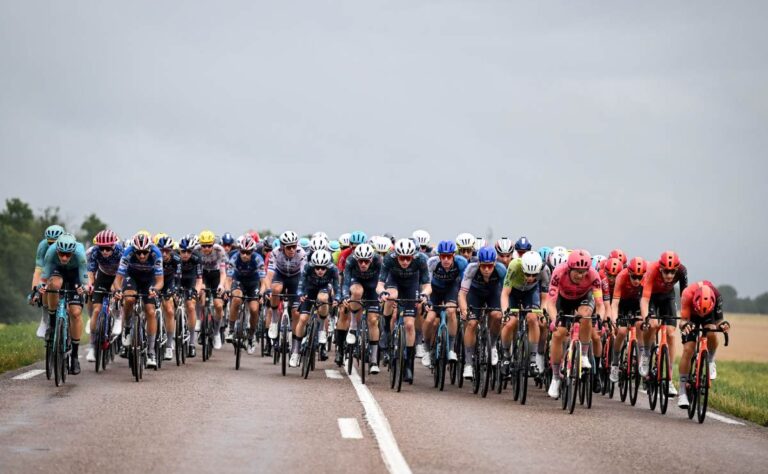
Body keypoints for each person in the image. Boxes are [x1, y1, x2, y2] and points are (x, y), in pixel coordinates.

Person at [545, 250, 604, 399]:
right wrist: (554, 320)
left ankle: (583, 355)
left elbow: (600, 303)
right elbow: (550, 303)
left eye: (583, 272)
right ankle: (555, 377)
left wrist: (600, 320)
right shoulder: (559, 272)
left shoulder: (593, 275)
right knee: (558, 334)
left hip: (584, 298)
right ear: (569, 268)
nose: (580, 275)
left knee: (586, 315)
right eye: (577, 272)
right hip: (563, 300)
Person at [377, 239, 431, 383]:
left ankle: (408, 364)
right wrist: (382, 293)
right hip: (394, 282)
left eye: (408, 258)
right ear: (396, 256)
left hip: (411, 286)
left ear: (413, 256)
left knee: (409, 325)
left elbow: (427, 285)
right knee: (391, 296)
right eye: (402, 258)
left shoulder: (421, 260)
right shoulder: (389, 258)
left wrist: (424, 294)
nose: (405, 262)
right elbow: (380, 284)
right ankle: (386, 331)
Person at [38, 233, 89, 375]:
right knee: (53, 285)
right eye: (61, 254)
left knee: (75, 313)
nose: (65, 258)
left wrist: (84, 288)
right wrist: (41, 286)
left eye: (68, 255)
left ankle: (74, 357)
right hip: (58, 271)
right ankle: (52, 324)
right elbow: (44, 277)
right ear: (57, 250)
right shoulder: (51, 252)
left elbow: (85, 281)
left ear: (73, 252)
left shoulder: (80, 254)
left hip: (75, 275)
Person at [112, 233, 164, 367]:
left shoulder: (156, 254)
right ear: (134, 250)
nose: (141, 256)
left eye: (145, 252)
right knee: (129, 299)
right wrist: (118, 290)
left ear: (149, 250)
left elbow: (160, 281)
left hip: (149, 279)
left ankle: (151, 352)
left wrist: (155, 289)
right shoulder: (128, 252)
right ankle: (127, 327)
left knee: (150, 311)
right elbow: (118, 279)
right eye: (138, 252)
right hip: (132, 277)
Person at [640, 251, 688, 395]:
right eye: (666, 271)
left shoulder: (682, 271)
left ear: (677, 269)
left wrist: (685, 319)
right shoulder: (652, 270)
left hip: (668, 297)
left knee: (671, 334)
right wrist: (646, 318)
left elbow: (685, 297)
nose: (669, 275)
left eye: (672, 272)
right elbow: (644, 299)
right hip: (651, 297)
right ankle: (646, 354)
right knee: (653, 324)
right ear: (661, 268)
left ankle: (669, 379)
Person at [677, 281, 730, 408]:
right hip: (691, 316)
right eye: (700, 311)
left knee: (711, 331)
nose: (701, 314)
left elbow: (719, 321)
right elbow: (682, 321)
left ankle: (710, 360)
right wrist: (685, 325)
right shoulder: (687, 294)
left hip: (709, 315)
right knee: (688, 348)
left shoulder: (716, 296)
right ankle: (682, 391)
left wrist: (723, 325)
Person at [458, 247, 507, 379]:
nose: (486, 269)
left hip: (493, 294)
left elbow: (506, 293)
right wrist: (464, 309)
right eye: (483, 266)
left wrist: (505, 311)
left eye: (489, 266)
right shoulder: (471, 269)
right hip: (475, 294)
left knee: (497, 315)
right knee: (471, 323)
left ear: (494, 264)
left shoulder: (501, 270)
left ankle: (492, 346)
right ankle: (468, 363)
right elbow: (462, 294)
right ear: (479, 263)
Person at [499, 251, 550, 374]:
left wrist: (542, 312)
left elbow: (544, 297)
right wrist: (505, 313)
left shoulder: (544, 270)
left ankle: (532, 360)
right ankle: (506, 356)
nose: (531, 278)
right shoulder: (514, 265)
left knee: (533, 318)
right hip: (513, 292)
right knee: (510, 322)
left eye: (534, 275)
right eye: (527, 274)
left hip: (530, 293)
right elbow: (505, 294)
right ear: (522, 268)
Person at [290, 250, 339, 367]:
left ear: (327, 266)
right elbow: (301, 284)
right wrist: (301, 294)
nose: (320, 270)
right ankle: (295, 352)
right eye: (317, 268)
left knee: (323, 298)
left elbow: (337, 286)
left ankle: (321, 330)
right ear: (313, 266)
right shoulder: (308, 267)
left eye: (323, 268)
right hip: (309, 290)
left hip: (324, 289)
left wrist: (337, 298)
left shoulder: (333, 269)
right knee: (302, 319)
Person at [422, 240, 467, 368]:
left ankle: (451, 348)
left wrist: (461, 304)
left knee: (451, 311)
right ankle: (426, 349)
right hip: (435, 290)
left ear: (453, 255)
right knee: (430, 319)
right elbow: (427, 283)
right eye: (443, 256)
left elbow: (464, 285)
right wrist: (427, 299)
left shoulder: (462, 263)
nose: (446, 259)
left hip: (451, 289)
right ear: (439, 256)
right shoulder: (432, 263)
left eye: (449, 256)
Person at [342, 243, 384, 373]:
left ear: (371, 259)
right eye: (360, 261)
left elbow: (384, 280)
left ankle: (373, 360)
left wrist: (383, 294)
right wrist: (345, 296)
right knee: (356, 292)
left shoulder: (378, 260)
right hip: (357, 283)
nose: (363, 264)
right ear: (356, 259)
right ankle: (353, 327)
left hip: (373, 287)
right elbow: (346, 282)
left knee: (373, 321)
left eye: (366, 261)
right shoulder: (350, 260)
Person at [85, 230, 123, 362]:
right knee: (96, 310)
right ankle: (92, 346)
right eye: (102, 248)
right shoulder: (94, 252)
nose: (105, 251)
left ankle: (117, 317)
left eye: (108, 248)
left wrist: (117, 288)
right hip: (102, 276)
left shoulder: (120, 252)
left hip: (118, 276)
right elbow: (91, 271)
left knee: (118, 295)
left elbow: (123, 272)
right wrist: (90, 285)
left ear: (113, 246)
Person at [225, 236, 267, 354]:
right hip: (239, 282)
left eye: (248, 253)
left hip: (253, 283)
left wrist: (261, 293)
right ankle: (231, 330)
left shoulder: (258, 259)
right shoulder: (234, 258)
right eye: (242, 252)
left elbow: (264, 281)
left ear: (252, 252)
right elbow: (228, 279)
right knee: (236, 299)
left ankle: (251, 336)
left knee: (254, 309)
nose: (244, 255)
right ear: (239, 250)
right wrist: (227, 290)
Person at [608, 257, 647, 383]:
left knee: (640, 324)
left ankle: (641, 357)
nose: (637, 280)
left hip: (638, 303)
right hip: (623, 303)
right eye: (634, 277)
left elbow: (645, 301)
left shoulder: (646, 279)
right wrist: (615, 320)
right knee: (622, 331)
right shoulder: (621, 277)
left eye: (639, 277)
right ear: (629, 273)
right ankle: (615, 363)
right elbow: (615, 303)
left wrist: (646, 318)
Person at [31, 224, 66, 337]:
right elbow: (38, 270)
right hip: (50, 269)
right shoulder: (43, 246)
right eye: (50, 243)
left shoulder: (68, 245)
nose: (52, 246)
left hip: (66, 269)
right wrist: (34, 290)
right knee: (45, 285)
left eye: (56, 243)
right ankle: (45, 320)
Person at [196, 230, 228, 350]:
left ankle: (216, 332)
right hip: (202, 275)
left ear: (213, 244)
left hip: (216, 275)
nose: (206, 248)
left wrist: (221, 285)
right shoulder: (196, 250)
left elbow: (223, 272)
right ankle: (200, 320)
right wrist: (199, 285)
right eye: (203, 246)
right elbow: (194, 271)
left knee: (218, 305)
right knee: (200, 294)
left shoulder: (219, 250)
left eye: (209, 245)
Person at [178, 236, 203, 357]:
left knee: (191, 306)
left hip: (191, 281)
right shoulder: (175, 257)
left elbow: (199, 279)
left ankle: (192, 342)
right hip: (178, 281)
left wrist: (195, 291)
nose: (186, 254)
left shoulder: (197, 258)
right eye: (183, 251)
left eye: (189, 251)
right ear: (179, 250)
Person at [157, 236, 181, 360]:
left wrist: (175, 290)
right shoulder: (154, 257)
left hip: (169, 282)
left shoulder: (176, 259)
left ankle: (169, 344)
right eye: (162, 250)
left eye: (167, 250)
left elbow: (178, 278)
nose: (164, 253)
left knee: (170, 310)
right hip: (156, 281)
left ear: (171, 250)